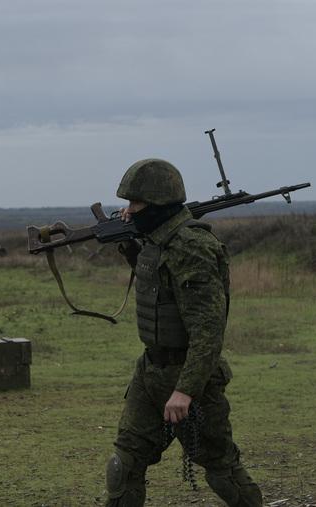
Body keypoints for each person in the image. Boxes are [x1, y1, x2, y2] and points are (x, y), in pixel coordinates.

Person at [104, 159, 262, 507]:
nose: (129, 211)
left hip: (191, 375)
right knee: (124, 464)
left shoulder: (192, 245)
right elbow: (159, 281)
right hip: (150, 371)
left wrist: (185, 391)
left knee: (222, 469)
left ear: (158, 203)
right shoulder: (158, 239)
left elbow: (208, 330)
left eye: (135, 204)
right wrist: (130, 244)